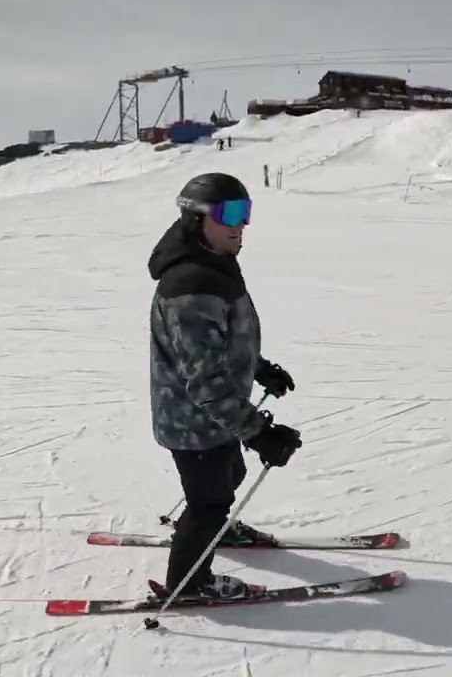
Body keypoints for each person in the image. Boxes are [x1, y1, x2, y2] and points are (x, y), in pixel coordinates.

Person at [146, 171, 303, 599]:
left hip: (212, 416)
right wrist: (261, 433)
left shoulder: (213, 265)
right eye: (229, 214)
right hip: (194, 419)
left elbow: (219, 345)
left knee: (229, 474)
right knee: (208, 503)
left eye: (245, 212)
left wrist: (257, 367)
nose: (240, 225)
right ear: (197, 219)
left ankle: (219, 531)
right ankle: (189, 584)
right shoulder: (191, 287)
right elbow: (205, 382)